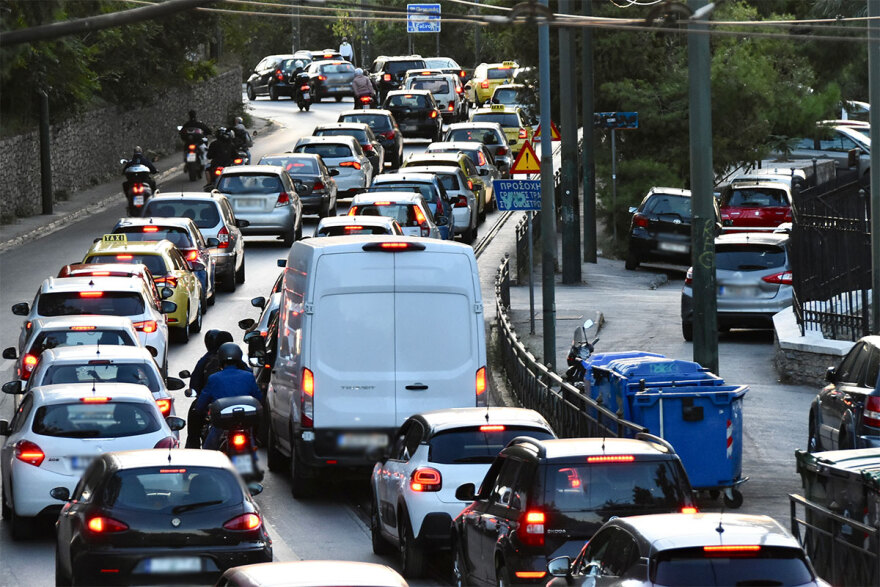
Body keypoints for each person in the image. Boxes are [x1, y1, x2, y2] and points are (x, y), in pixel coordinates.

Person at [193, 343, 262, 451]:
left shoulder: (214, 378)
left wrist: (198, 409)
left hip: (221, 424)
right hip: (245, 422)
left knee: (208, 451)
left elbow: (202, 402)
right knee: (252, 440)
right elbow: (259, 398)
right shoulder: (248, 376)